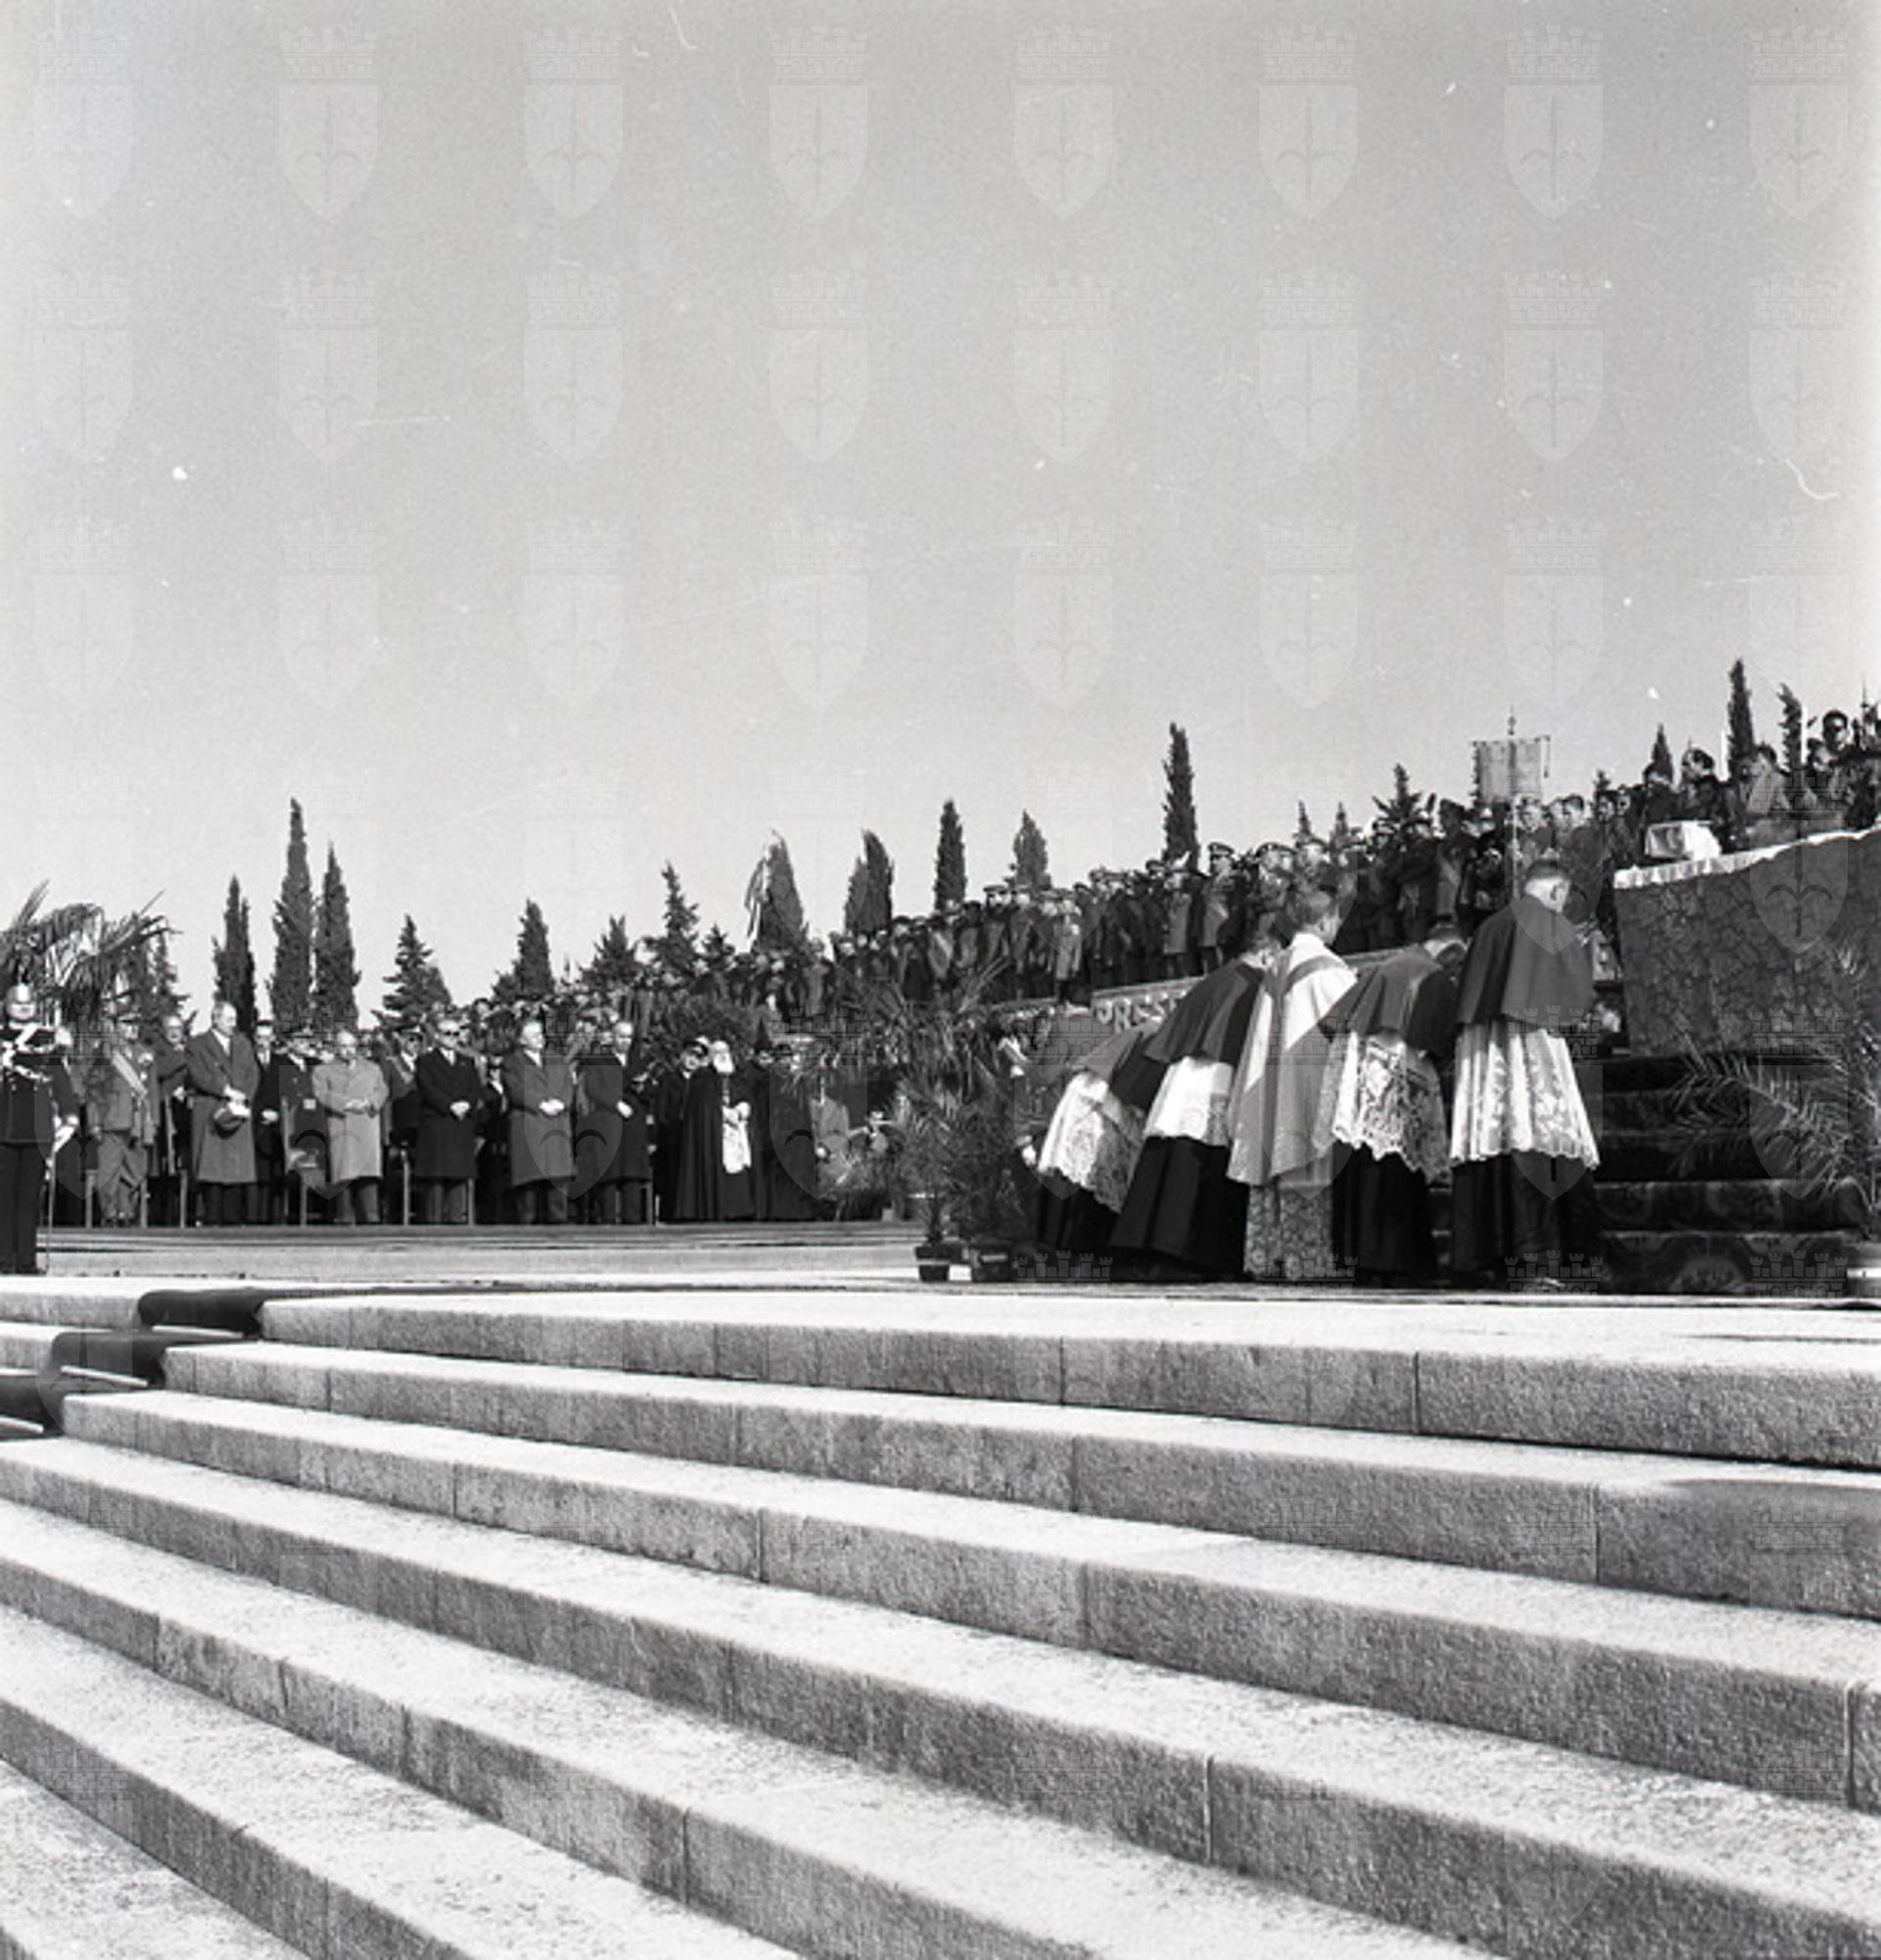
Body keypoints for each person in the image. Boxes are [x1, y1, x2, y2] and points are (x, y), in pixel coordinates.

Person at [1449, 855, 1604, 1287]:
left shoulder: (1489, 927)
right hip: (1533, 1041)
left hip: (1485, 1046)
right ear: (1557, 890)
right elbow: (1576, 1001)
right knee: (1539, 1127)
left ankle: (1492, 1258)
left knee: (1493, 1131)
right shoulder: (1550, 923)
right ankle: (1543, 1257)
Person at [1108, 917, 1273, 1277]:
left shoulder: (1214, 979)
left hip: (1182, 1078)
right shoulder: (1252, 983)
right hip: (1217, 1077)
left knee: (1166, 1164)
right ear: (1265, 952)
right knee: (1198, 1166)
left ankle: (1144, 1250)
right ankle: (1185, 1255)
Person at [1226, 880, 1358, 1282]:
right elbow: (1351, 1027)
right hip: (1307, 1085)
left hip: (1272, 1084)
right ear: (1325, 921)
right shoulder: (1326, 968)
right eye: (1336, 919)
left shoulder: (1278, 965)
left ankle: (1276, 1256)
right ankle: (1312, 1259)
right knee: (1309, 1156)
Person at [1319, 928, 1463, 1284]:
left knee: (1365, 1161)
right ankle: (1395, 1260)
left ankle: (1361, 1257)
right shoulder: (1431, 975)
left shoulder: (1387, 965)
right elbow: (1443, 1044)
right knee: (1396, 1164)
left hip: (1361, 1073)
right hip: (1399, 1073)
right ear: (1450, 956)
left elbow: (1335, 1023)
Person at [0, 986, 77, 1272]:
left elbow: (61, 1081)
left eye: (28, 1002)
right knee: (3, 1197)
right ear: (6, 1005)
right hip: (4, 1125)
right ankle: (3, 1259)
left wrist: (69, 1115)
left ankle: (26, 1260)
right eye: (17, 1002)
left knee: (30, 1198)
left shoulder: (48, 1040)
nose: (23, 1007)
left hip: (37, 1126)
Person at [185, 1001, 261, 1225]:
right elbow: (198, 1075)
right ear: (215, 1018)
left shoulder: (243, 1044)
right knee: (212, 1167)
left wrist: (243, 1095)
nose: (233, 1024)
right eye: (229, 1019)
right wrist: (225, 1090)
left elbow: (253, 1073)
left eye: (234, 1019)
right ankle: (212, 1216)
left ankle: (233, 1217)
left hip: (238, 1109)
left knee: (236, 1167)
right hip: (211, 1107)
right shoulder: (198, 1044)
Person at [572, 1014, 652, 1224]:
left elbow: (651, 1094)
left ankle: (632, 1221)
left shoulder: (639, 1063)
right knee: (608, 1174)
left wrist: (643, 1089)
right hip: (608, 1121)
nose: (625, 1041)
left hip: (633, 1125)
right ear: (612, 1037)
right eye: (621, 1036)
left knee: (632, 1175)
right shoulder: (598, 1060)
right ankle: (607, 1220)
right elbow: (593, 1088)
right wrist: (614, 1103)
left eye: (629, 1037)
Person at [312, 1026, 389, 1224]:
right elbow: (321, 1093)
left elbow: (382, 1090)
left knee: (368, 1175)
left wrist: (370, 1102)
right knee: (344, 1173)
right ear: (336, 1047)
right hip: (342, 1124)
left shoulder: (372, 1068)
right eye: (343, 1046)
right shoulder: (323, 1070)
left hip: (366, 1123)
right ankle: (344, 1216)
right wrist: (346, 1103)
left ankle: (371, 1216)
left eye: (351, 1046)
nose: (348, 1050)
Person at [502, 1016, 573, 1223]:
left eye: (541, 1034)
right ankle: (527, 1231)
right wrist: (540, 1104)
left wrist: (562, 1102)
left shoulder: (556, 1059)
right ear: (521, 1040)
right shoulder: (512, 1062)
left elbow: (568, 1084)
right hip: (530, 1125)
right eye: (534, 1035)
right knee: (528, 1190)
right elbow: (515, 1090)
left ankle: (558, 1230)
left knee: (557, 1186)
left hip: (556, 1126)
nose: (540, 1038)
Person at [86, 1017, 154, 1228]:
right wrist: (94, 1121)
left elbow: (151, 1090)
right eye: (127, 1024)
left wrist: (153, 1121)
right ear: (116, 1027)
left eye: (135, 1024)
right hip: (112, 1119)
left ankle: (125, 1209)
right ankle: (110, 1211)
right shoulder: (106, 1054)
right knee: (109, 1169)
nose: (132, 1028)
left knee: (135, 1168)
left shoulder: (143, 1053)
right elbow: (94, 1091)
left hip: (138, 1121)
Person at [415, 1012, 481, 1224]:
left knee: (458, 1175)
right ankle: (433, 1221)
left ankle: (456, 1218)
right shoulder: (425, 1061)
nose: (452, 1038)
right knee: (436, 1176)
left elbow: (475, 1088)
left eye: (456, 1034)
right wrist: (449, 1105)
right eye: (447, 1033)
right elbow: (427, 1088)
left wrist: (467, 1104)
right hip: (437, 1122)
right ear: (437, 1036)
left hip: (461, 1124)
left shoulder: (467, 1062)